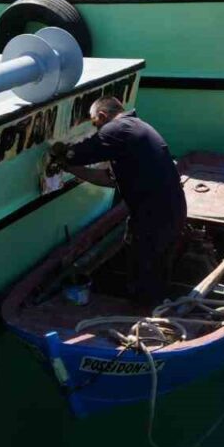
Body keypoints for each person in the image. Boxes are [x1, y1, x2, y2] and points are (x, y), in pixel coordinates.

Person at [50, 97, 187, 307]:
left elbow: (80, 153)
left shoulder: (116, 129)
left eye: (96, 124)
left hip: (153, 217)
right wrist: (69, 169)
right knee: (154, 269)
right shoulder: (135, 131)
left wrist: (60, 154)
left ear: (103, 116)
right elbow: (109, 178)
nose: (98, 131)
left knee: (144, 271)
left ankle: (143, 320)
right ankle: (155, 307)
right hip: (172, 210)